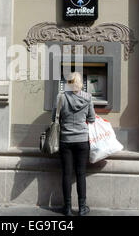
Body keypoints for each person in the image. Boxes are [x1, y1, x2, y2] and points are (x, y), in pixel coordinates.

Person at [52, 72, 95, 216]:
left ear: (68, 83)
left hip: (66, 141)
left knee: (67, 174)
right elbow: (92, 118)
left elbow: (54, 118)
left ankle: (68, 208)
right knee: (81, 174)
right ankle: (82, 208)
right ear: (81, 83)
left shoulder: (61, 97)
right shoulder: (88, 97)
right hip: (82, 140)